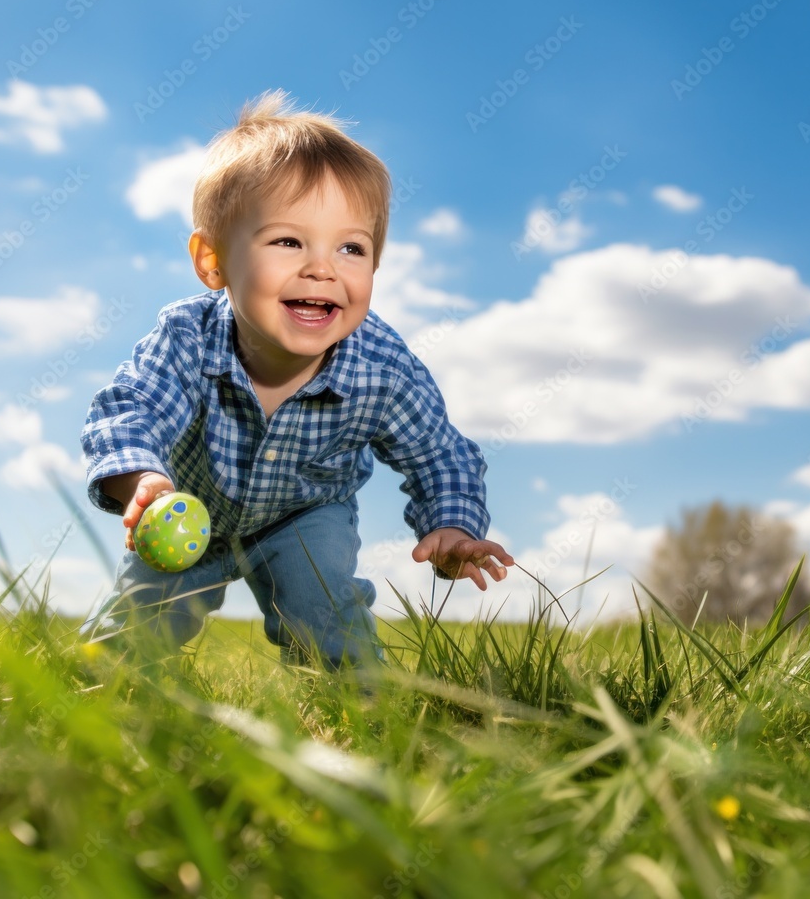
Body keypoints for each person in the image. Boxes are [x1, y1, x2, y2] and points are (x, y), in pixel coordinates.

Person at [80, 90, 513, 667]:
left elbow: (441, 453)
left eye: (351, 248)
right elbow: (131, 409)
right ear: (213, 261)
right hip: (188, 507)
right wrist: (141, 482)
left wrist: (453, 526)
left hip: (306, 514)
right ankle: (91, 696)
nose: (322, 267)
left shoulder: (380, 366)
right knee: (132, 633)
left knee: (326, 616)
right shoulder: (186, 338)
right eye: (288, 241)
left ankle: (362, 714)